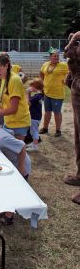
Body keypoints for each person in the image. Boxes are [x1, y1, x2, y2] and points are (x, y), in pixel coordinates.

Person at [63, 31, 80, 205]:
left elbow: (68, 53)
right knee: (78, 140)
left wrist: (74, 39)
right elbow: (68, 54)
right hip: (77, 95)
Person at [39, 47, 69, 137]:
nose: (56, 58)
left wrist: (66, 79)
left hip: (57, 94)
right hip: (47, 92)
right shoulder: (45, 64)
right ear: (50, 57)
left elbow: (69, 72)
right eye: (54, 56)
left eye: (57, 56)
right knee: (47, 111)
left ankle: (58, 130)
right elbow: (41, 73)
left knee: (57, 112)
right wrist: (42, 82)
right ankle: (45, 128)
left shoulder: (63, 65)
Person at [26, 79, 44, 152]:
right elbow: (31, 100)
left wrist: (27, 93)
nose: (30, 88)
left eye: (31, 86)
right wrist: (29, 93)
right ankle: (34, 143)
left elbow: (28, 102)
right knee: (32, 131)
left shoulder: (37, 96)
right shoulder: (39, 95)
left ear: (35, 87)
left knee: (34, 131)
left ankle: (35, 146)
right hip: (36, 116)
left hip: (34, 117)